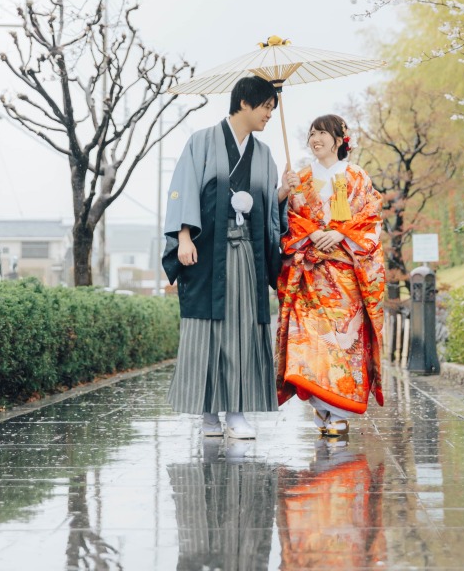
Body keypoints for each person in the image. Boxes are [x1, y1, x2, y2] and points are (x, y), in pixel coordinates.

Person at [163, 75, 290, 440]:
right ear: (245, 103)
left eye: (272, 108)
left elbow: (266, 212)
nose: (269, 114)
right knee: (208, 332)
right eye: (266, 106)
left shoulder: (263, 154)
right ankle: (208, 414)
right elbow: (182, 189)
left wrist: (283, 191)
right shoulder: (201, 142)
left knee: (244, 329)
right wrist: (183, 237)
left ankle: (236, 412)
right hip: (206, 255)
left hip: (247, 256)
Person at [276, 114, 385, 437]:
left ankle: (338, 411)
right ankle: (321, 408)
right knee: (311, 341)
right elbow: (287, 221)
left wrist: (339, 235)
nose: (315, 139)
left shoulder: (356, 176)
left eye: (322, 132)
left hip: (345, 274)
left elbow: (371, 218)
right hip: (310, 273)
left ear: (340, 139)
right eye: (311, 133)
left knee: (343, 342)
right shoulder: (302, 177)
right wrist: (285, 192)